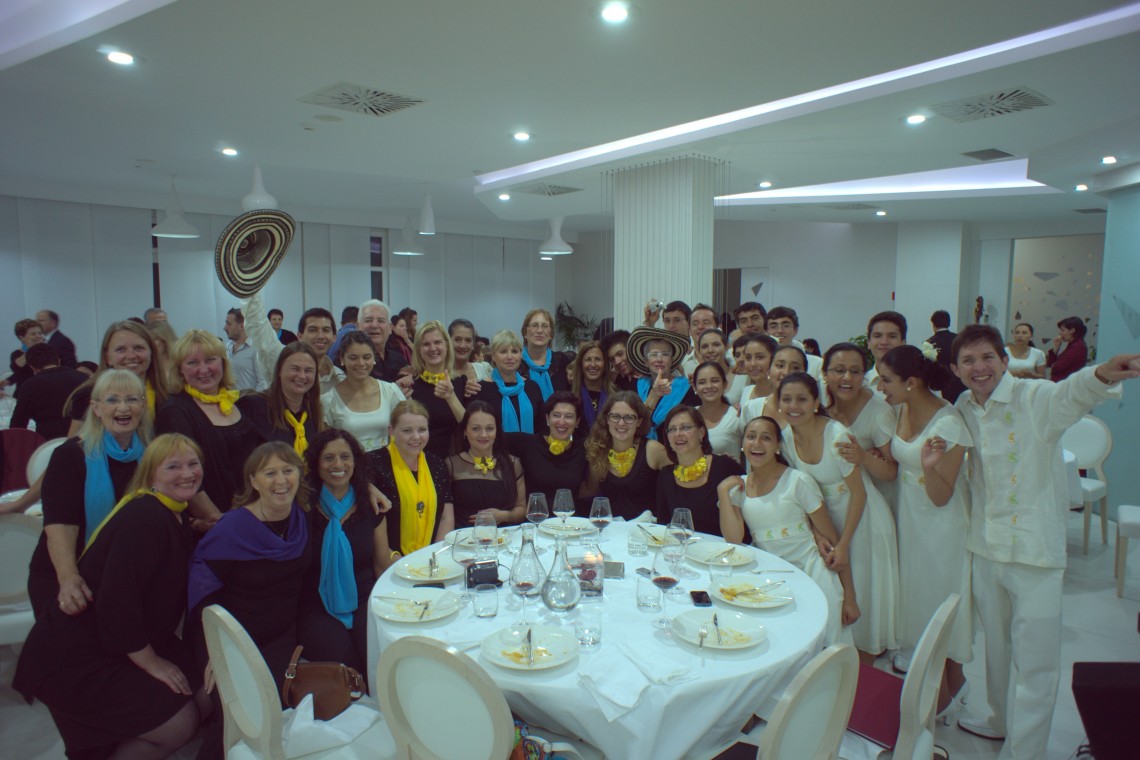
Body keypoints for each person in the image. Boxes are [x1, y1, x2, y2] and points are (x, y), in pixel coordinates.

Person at [948, 325, 1138, 757]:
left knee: (1036, 663)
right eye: (969, 360)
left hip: (1035, 552)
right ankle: (999, 719)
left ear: (1004, 360)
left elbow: (1071, 393)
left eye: (988, 357)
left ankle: (1026, 751)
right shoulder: (963, 406)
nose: (979, 368)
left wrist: (1101, 374)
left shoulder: (1034, 398)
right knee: (995, 651)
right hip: (985, 546)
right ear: (956, 369)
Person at [14, 433, 209, 760]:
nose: (187, 473)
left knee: (206, 692)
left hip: (117, 639)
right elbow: (118, 604)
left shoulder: (172, 512)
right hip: (79, 655)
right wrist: (151, 663)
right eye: (173, 467)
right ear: (151, 475)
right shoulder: (144, 518)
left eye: (193, 464)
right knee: (179, 724)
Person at [187, 441, 313, 760]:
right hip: (231, 635)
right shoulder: (233, 528)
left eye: (288, 470)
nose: (281, 480)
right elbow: (203, 591)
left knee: (279, 711)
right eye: (269, 473)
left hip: (280, 634)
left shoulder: (301, 518)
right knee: (239, 718)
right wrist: (218, 649)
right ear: (253, 481)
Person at [778, 372, 899, 662]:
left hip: (862, 519)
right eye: (787, 399)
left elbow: (860, 493)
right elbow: (801, 493)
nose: (794, 406)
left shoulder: (836, 435)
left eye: (802, 399)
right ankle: (839, 662)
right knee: (838, 594)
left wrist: (843, 544)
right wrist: (819, 533)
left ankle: (866, 667)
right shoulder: (786, 438)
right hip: (826, 521)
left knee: (864, 594)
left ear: (815, 402)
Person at [878, 345, 972, 712]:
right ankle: (946, 684)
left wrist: (930, 466)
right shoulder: (900, 409)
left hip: (942, 526)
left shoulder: (947, 424)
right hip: (911, 518)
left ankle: (942, 691)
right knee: (917, 601)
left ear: (912, 382)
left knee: (938, 602)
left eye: (886, 380)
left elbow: (941, 496)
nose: (880, 387)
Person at [718, 416, 857, 645]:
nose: (757, 444)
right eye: (751, 437)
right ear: (742, 443)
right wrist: (723, 493)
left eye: (766, 438)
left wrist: (850, 597)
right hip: (769, 584)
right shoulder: (739, 487)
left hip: (814, 578)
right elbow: (733, 539)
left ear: (778, 446)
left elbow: (833, 541)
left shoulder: (798, 481)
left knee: (823, 650)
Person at [25, 369, 152, 619]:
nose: (123, 407)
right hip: (66, 574)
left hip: (121, 574)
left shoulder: (151, 454)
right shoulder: (71, 455)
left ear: (143, 406)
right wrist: (69, 578)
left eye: (132, 399)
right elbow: (60, 525)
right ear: (96, 408)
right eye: (112, 400)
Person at [297, 429, 383, 673]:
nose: (338, 465)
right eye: (328, 458)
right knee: (347, 668)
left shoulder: (371, 504)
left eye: (345, 457)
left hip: (365, 599)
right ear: (316, 463)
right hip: (316, 605)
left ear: (355, 461)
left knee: (376, 661)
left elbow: (381, 563)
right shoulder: (302, 507)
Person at [155, 330, 262, 519]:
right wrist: (223, 524)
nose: (203, 370)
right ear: (180, 370)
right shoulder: (175, 412)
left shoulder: (233, 402)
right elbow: (185, 481)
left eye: (210, 360)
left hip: (251, 516)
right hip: (216, 524)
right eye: (193, 363)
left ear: (223, 363)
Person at [370, 400, 455, 571]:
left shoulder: (437, 464)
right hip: (390, 563)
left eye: (422, 430)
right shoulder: (373, 463)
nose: (416, 437)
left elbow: (446, 517)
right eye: (407, 431)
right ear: (391, 431)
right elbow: (372, 526)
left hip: (432, 561)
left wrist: (435, 556)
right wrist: (404, 565)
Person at [65, 320, 169, 435]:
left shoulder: (167, 393)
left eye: (138, 348)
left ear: (151, 353)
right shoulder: (89, 394)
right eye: (121, 349)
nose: (131, 356)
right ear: (108, 357)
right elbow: (74, 443)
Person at [655, 405, 743, 536]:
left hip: (723, 546)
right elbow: (663, 525)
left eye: (685, 427)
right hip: (682, 546)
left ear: (701, 433)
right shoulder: (666, 475)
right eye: (672, 429)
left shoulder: (725, 467)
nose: (678, 434)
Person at [584, 391, 671, 521]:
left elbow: (677, 486)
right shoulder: (598, 450)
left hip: (647, 529)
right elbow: (591, 490)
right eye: (615, 416)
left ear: (639, 422)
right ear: (607, 419)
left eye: (629, 418)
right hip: (611, 529)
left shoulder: (653, 450)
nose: (621, 423)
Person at [821, 343, 898, 487]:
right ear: (824, 374)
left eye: (855, 371)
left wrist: (864, 457)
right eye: (839, 370)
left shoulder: (879, 413)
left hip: (872, 494)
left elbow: (893, 471)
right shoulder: (818, 402)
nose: (847, 377)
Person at [322, 330, 406, 456]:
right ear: (342, 359)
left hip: (388, 463)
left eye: (366, 357)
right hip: (348, 465)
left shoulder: (390, 391)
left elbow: (406, 429)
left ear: (374, 358)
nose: (361, 363)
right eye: (353, 358)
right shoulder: (328, 399)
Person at [242, 290, 342, 393]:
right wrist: (251, 286)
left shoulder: (340, 377)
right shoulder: (281, 358)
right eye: (312, 330)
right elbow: (257, 324)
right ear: (300, 336)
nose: (320, 336)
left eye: (326, 330)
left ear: (334, 337)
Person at [505, 391, 589, 511]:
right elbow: (490, 437)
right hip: (535, 518)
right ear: (547, 419)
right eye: (556, 415)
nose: (562, 422)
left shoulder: (583, 450)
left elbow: (589, 488)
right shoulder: (527, 444)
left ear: (577, 422)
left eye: (569, 416)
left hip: (570, 519)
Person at [447, 401, 525, 526]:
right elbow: (444, 516)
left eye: (489, 428)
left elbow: (521, 510)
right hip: (464, 535)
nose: (483, 435)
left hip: (503, 534)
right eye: (476, 429)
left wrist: (504, 516)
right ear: (465, 431)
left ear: (496, 431)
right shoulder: (451, 464)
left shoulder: (512, 463)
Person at [237, 342, 324, 454]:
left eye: (308, 371)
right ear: (279, 370)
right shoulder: (252, 407)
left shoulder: (313, 412)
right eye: (295, 369)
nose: (302, 376)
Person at [627, 325, 698, 440]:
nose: (659, 359)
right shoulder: (636, 386)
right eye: (653, 354)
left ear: (672, 360)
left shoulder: (685, 388)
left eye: (665, 354)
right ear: (645, 361)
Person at [410, 320, 468, 458]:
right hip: (419, 462)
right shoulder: (410, 386)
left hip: (454, 462)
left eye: (437, 342)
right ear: (418, 350)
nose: (432, 348)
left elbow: (469, 427)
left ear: (447, 346)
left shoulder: (461, 384)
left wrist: (451, 397)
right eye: (426, 344)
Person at [473, 329, 546, 435]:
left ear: (520, 355)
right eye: (503, 351)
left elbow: (542, 427)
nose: (510, 357)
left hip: (530, 445)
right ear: (493, 356)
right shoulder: (480, 389)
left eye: (515, 351)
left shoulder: (532, 387)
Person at [9, 344, 87, 439]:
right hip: (83, 439)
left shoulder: (30, 385)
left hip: (48, 443)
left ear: (33, 368)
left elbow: (18, 424)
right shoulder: (83, 378)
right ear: (58, 361)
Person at [743, 343, 808, 428]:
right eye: (780, 366)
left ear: (805, 374)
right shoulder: (751, 408)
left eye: (795, 368)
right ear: (769, 371)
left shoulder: (809, 412)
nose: (786, 372)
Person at [692, 361, 743, 458]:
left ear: (725, 384)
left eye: (715, 381)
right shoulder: (689, 416)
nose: (709, 386)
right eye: (702, 382)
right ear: (694, 387)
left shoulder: (736, 416)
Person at [518, 308, 570, 399]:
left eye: (545, 326)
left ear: (551, 334)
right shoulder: (515, 364)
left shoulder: (563, 362)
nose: (540, 331)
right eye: (534, 325)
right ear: (525, 332)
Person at [567, 340, 615, 438]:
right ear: (581, 364)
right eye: (588, 360)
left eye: (598, 359)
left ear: (605, 364)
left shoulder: (616, 395)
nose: (593, 365)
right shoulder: (570, 395)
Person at [359, 299, 411, 382]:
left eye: (381, 321)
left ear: (390, 328)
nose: (374, 325)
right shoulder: (351, 363)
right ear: (358, 326)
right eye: (368, 320)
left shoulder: (399, 360)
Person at [765, 306, 824, 379]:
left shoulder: (816, 364)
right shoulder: (760, 363)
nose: (779, 331)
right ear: (766, 332)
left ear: (795, 330)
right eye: (773, 326)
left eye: (786, 326)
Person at [695, 328, 747, 405]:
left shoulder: (743, 377)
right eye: (705, 346)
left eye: (716, 345)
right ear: (699, 351)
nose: (710, 350)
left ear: (726, 347)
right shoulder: (696, 379)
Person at [738, 334, 779, 423]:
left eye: (760, 357)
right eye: (748, 358)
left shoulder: (782, 395)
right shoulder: (746, 391)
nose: (752, 364)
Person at [927, 310, 966, 402]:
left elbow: (928, 368)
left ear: (933, 324)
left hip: (941, 385)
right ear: (949, 323)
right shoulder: (959, 339)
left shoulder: (929, 343)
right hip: (961, 382)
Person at [863, 311, 907, 393]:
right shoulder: (860, 384)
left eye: (892, 336)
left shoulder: (916, 383)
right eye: (877, 336)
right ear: (869, 343)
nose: (884, 342)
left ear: (903, 343)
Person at [223, 308, 265, 392]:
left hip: (248, 399)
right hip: (230, 399)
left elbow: (263, 383)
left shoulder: (256, 348)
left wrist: (251, 399)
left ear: (242, 326)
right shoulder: (228, 346)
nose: (225, 328)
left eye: (229, 324)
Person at [1045, 315, 1089, 382]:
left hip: (1066, 384)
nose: (1060, 333)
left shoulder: (1078, 347)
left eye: (1063, 330)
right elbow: (1050, 364)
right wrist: (1056, 348)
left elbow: (1056, 368)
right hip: (1061, 382)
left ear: (1072, 330)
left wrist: (1053, 365)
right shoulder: (1072, 344)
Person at [449, 318, 492, 384]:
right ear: (449, 342)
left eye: (468, 340)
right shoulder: (440, 373)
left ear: (473, 345)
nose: (463, 346)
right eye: (457, 339)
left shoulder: (485, 369)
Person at [8, 318, 46, 391]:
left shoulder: (49, 352)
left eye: (40, 333)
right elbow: (16, 368)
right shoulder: (16, 354)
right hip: (25, 392)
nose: (38, 336)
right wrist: (30, 349)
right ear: (22, 337)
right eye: (33, 334)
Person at [681, 304, 718, 377]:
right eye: (695, 324)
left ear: (717, 328)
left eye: (706, 323)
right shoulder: (683, 365)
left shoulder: (729, 362)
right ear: (689, 330)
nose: (700, 327)